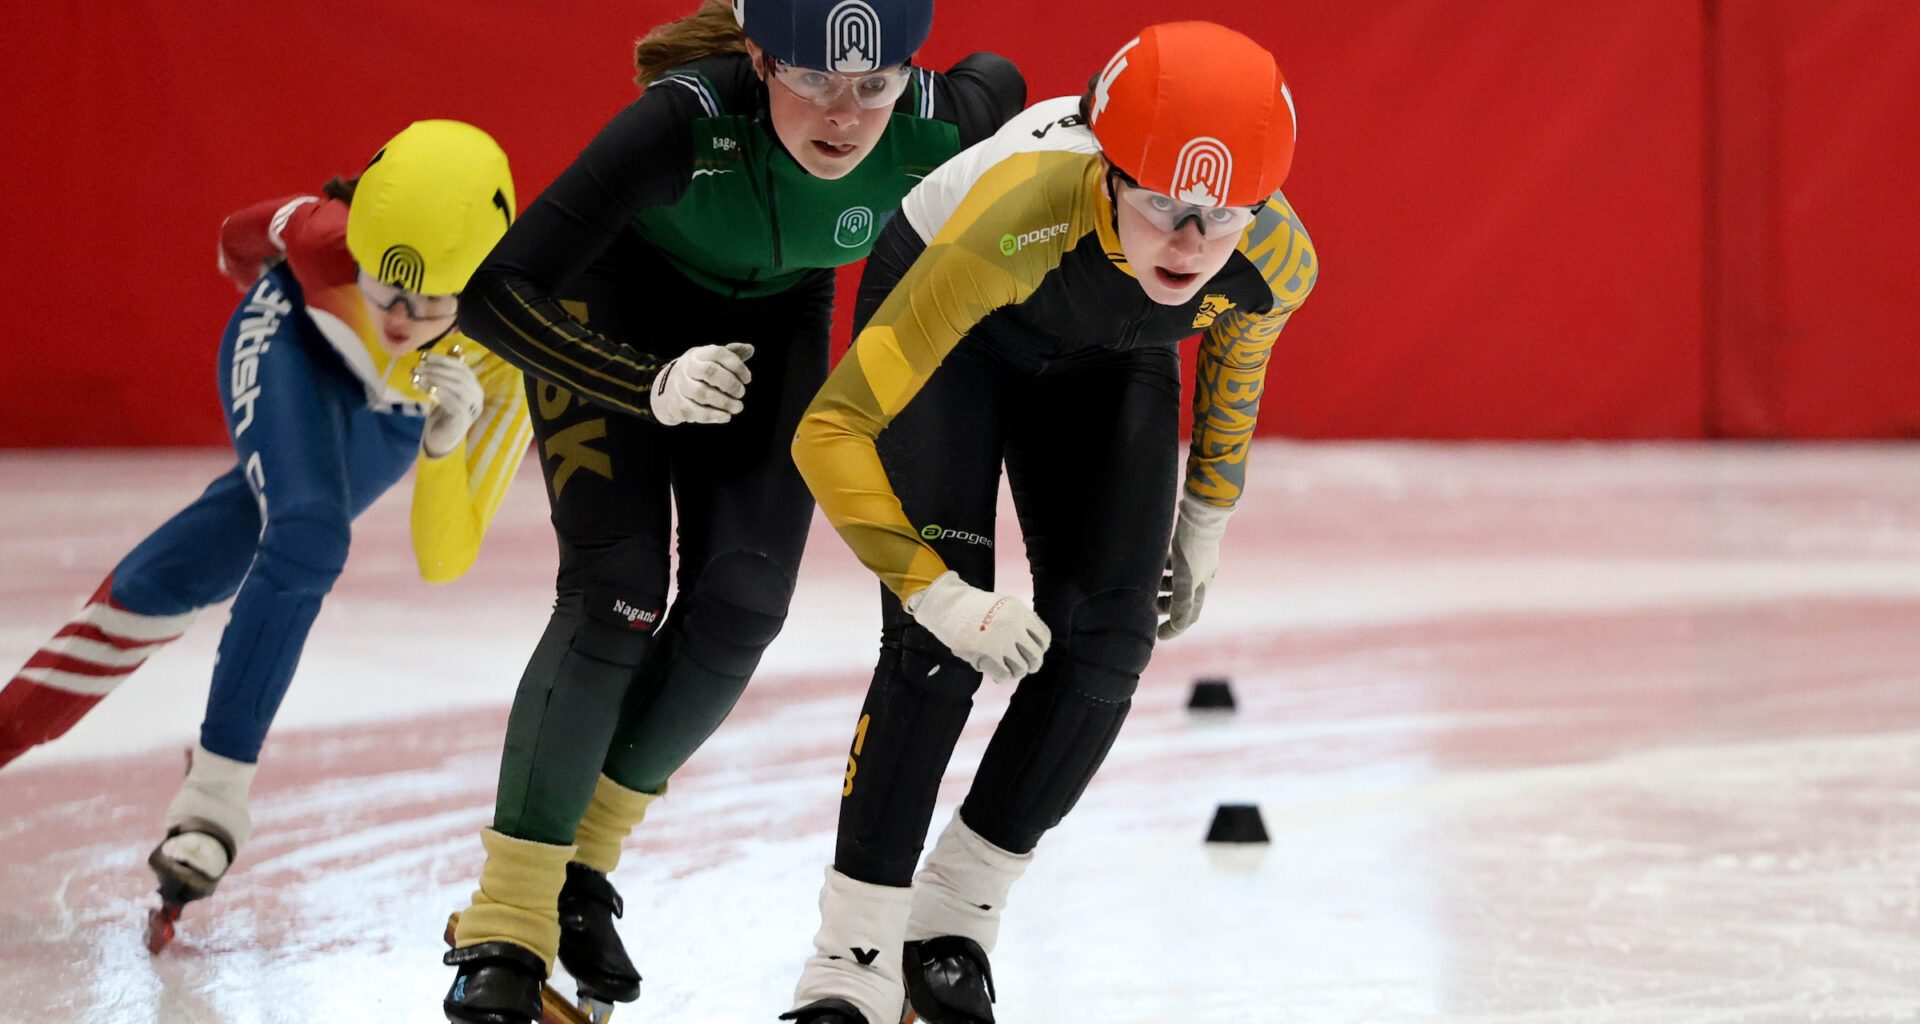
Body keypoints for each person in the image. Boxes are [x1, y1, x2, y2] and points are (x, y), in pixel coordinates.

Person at [438, 1, 1023, 1021]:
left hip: (778, 312)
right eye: (814, 82)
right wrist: (645, 384)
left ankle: (581, 872)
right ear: (758, 61)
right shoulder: (685, 120)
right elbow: (496, 295)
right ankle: (507, 920)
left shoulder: (941, 120)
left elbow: (1003, 78)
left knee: (746, 600)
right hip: (608, 303)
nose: (845, 114)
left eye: (873, 83)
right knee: (616, 594)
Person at [777, 21, 1317, 1024]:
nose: (1193, 245)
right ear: (1110, 172)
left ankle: (954, 920)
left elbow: (1237, 365)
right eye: (1164, 206)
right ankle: (847, 959)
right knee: (935, 654)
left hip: (1110, 361)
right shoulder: (1019, 211)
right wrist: (938, 595)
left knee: (1110, 637)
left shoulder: (1276, 258)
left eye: (1222, 216)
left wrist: (1206, 518)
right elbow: (829, 430)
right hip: (964, 328)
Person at [0, 119, 529, 950]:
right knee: (309, 531)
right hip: (286, 337)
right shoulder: (325, 233)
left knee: (198, 563)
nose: (400, 317)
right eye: (382, 289)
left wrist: (442, 447)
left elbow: (443, 557)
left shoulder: (507, 350)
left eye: (432, 305)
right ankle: (213, 805)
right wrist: (260, 286)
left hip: (394, 419)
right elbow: (238, 241)